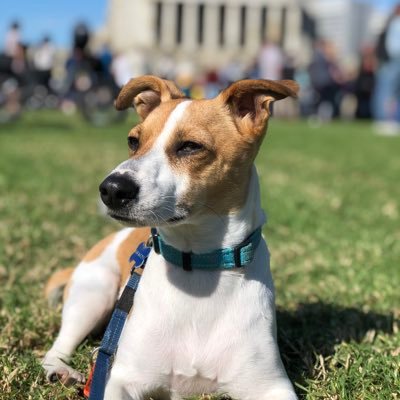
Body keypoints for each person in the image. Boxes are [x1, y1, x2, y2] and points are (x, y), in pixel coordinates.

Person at [373, 4, 400, 135]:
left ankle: (394, 120)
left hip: (394, 60)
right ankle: (383, 119)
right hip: (391, 61)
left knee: (393, 91)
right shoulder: (394, 22)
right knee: (386, 91)